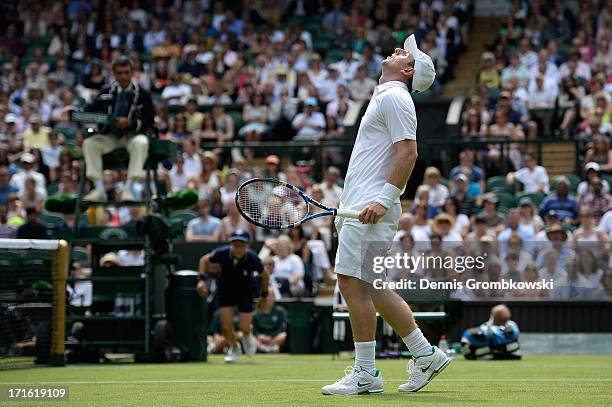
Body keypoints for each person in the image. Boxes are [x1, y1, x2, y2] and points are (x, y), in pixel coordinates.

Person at [322, 35, 450, 396]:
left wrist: (383, 198)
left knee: (352, 283)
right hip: (362, 203)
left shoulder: (395, 97)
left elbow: (408, 154)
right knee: (372, 286)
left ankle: (365, 373)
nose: (396, 49)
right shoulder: (387, 97)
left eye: (404, 52)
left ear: (408, 70)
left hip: (371, 206)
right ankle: (425, 355)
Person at [81, 56, 154, 202]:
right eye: (120, 73)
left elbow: (149, 121)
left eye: (127, 72)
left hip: (131, 136)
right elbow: (89, 110)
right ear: (114, 73)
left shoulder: (143, 94)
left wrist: (130, 123)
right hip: (110, 137)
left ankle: (128, 189)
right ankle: (99, 189)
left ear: (132, 72)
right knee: (89, 143)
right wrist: (75, 110)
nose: (123, 76)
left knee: (142, 143)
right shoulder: (106, 92)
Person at [196, 229, 269, 363]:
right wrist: (201, 280)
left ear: (247, 245)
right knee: (226, 327)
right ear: (231, 244)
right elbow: (204, 260)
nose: (238, 248)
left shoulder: (252, 258)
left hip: (245, 292)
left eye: (242, 245)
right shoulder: (222, 253)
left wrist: (264, 296)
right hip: (226, 291)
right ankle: (234, 348)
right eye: (235, 244)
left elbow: (264, 275)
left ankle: (247, 336)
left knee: (245, 328)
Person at [252, 281, 287, 353]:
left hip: (274, 338)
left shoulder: (280, 311)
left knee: (283, 335)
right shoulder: (255, 314)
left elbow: (281, 328)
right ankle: (263, 348)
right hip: (260, 340)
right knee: (250, 338)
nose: (269, 298)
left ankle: (269, 348)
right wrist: (259, 336)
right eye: (267, 296)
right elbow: (253, 330)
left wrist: (271, 338)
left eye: (271, 296)